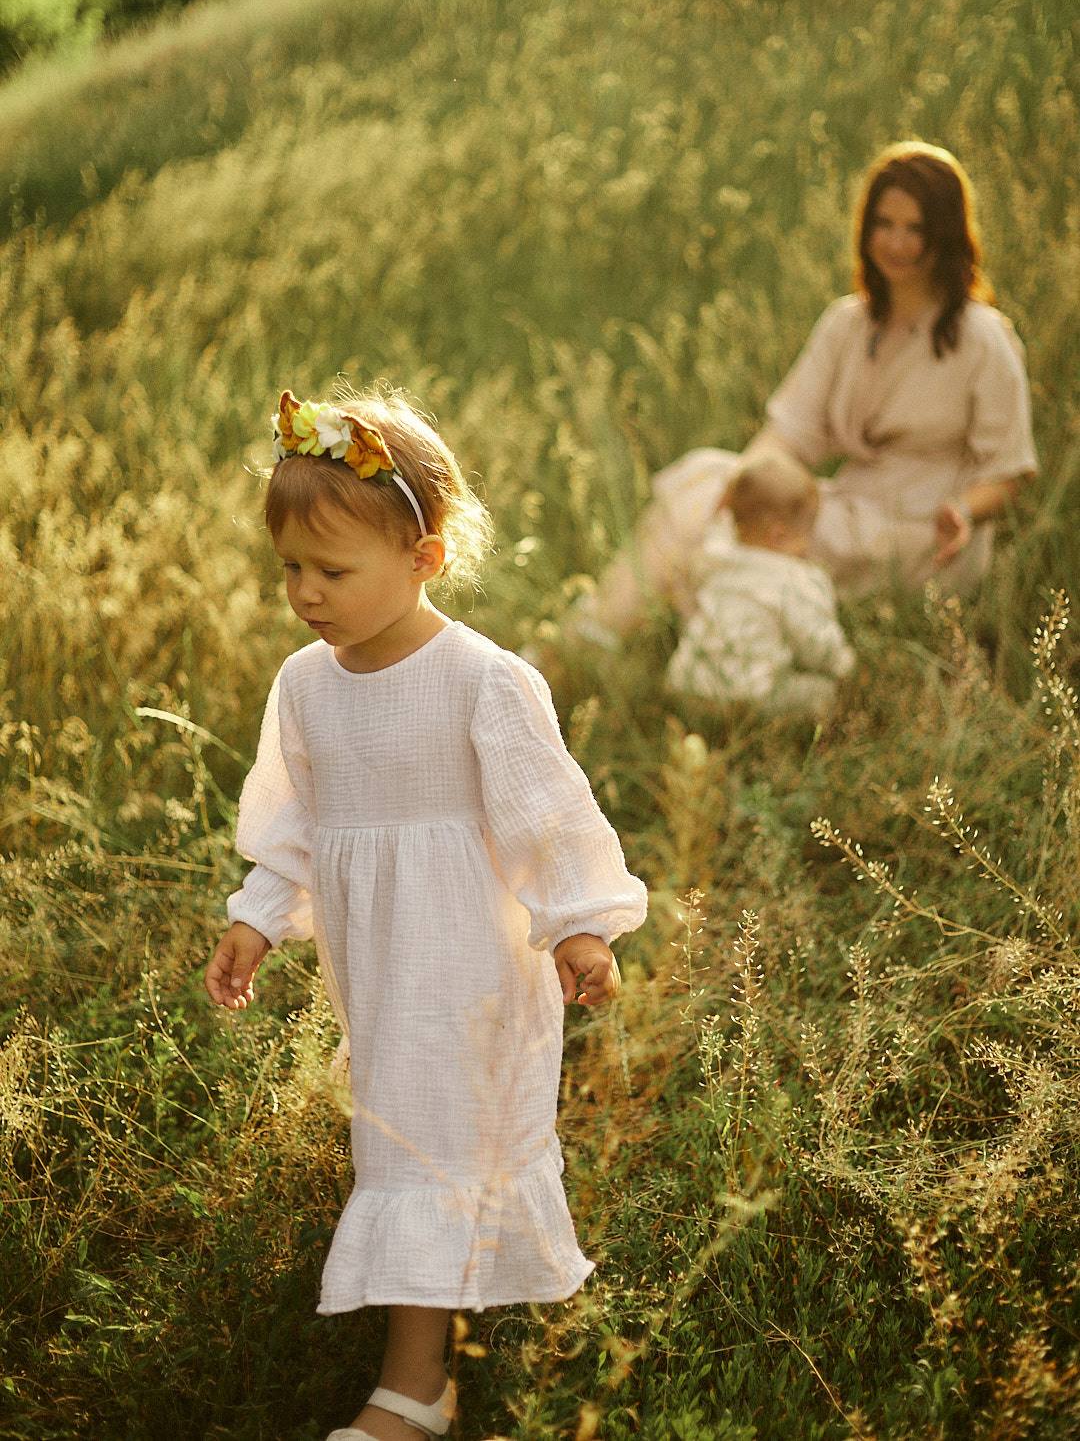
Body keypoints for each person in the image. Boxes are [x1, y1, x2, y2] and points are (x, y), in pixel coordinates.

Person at [204, 389, 647, 1441]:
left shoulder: (479, 682)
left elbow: (545, 815)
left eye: (333, 571)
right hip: (381, 968)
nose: (306, 594)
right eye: (291, 570)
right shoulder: (306, 687)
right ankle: (451, 1320)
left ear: (426, 558)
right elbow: (299, 821)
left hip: (473, 962)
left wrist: (578, 923)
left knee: (429, 1141)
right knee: (407, 1130)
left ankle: (416, 1388)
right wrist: (259, 913)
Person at [567, 142, 1038, 646]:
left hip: (924, 533)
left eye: (915, 228)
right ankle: (602, 637)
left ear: (944, 235)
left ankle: (602, 641)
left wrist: (963, 510)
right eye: (885, 224)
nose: (897, 243)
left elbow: (1011, 472)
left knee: (718, 527)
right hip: (849, 507)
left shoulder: (982, 336)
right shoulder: (848, 323)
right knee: (704, 489)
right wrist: (748, 488)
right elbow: (789, 434)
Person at [666, 450, 854, 716]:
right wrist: (846, 665)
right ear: (779, 536)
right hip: (748, 697)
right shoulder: (794, 580)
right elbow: (816, 642)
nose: (810, 545)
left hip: (688, 686)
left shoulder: (715, 557)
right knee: (823, 691)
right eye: (807, 532)